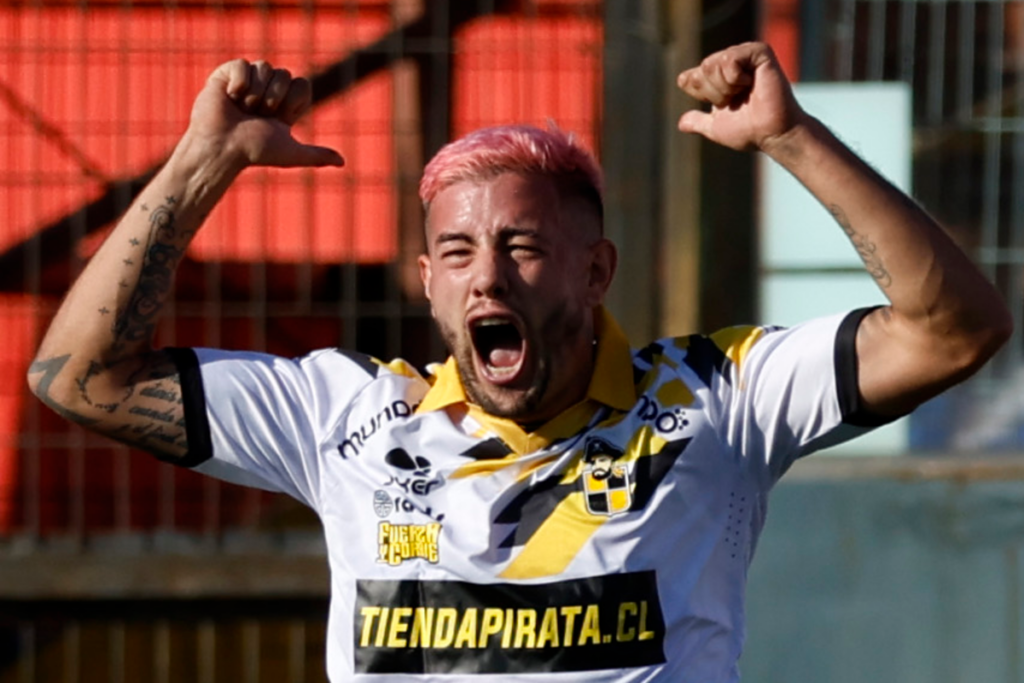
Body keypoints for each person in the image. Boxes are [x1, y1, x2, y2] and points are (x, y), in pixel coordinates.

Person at [27, 42, 1011, 681]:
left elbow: (952, 326)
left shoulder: (717, 397)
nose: (487, 276)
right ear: (426, 281)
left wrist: (792, 138)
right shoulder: (347, 416)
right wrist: (204, 161)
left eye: (524, 248)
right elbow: (79, 376)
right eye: (457, 252)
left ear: (595, 272)